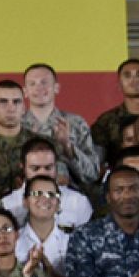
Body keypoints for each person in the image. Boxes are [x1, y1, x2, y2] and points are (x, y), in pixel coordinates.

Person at [21, 63, 101, 192]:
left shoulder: (75, 123)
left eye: (44, 82)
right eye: (32, 84)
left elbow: (92, 174)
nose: (39, 88)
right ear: (25, 92)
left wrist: (68, 147)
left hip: (71, 200)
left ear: (56, 88)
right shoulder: (16, 126)